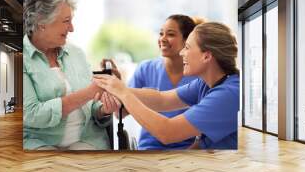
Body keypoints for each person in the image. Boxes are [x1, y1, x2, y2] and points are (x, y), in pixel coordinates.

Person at [95, 22, 239, 149]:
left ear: (206, 56)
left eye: (187, 47)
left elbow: (167, 132)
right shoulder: (205, 83)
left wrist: (122, 92)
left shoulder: (228, 95)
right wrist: (116, 87)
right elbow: (162, 99)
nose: (182, 52)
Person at [23, 0, 119, 150]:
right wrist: (89, 92)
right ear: (41, 22)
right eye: (66, 21)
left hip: (87, 140)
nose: (72, 28)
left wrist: (103, 109)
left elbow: (93, 105)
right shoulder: (22, 58)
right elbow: (31, 114)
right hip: (41, 144)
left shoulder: (77, 54)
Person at [128, 15, 205, 150]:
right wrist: (117, 87)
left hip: (189, 150)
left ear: (187, 40)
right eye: (161, 33)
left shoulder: (200, 76)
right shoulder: (145, 69)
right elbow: (119, 113)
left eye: (170, 34)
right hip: (149, 148)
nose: (162, 39)